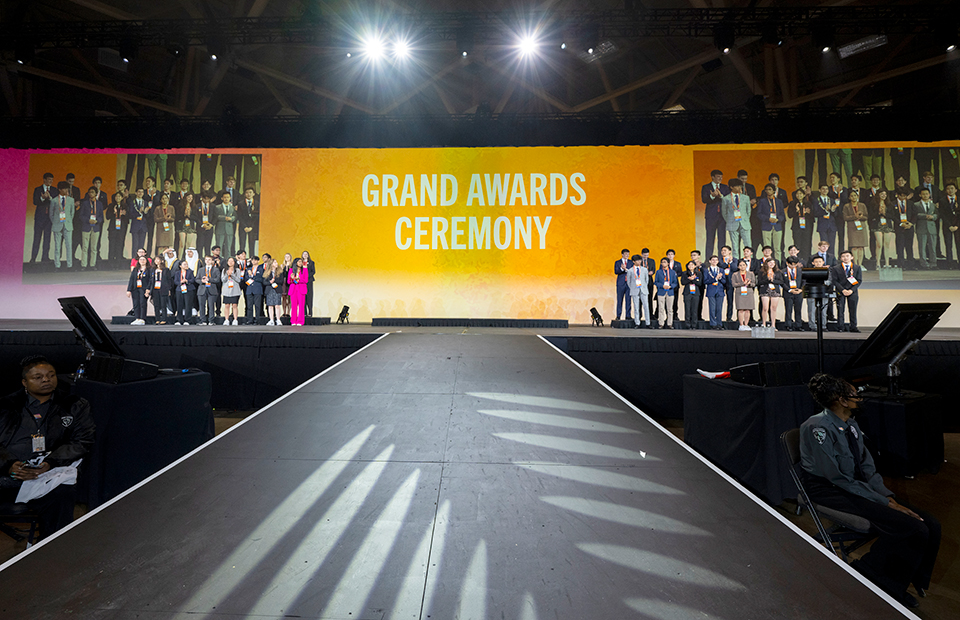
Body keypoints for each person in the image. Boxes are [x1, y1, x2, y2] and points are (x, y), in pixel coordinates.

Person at [800, 373, 941, 609]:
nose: (861, 399)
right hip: (831, 490)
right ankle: (874, 578)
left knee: (931, 524)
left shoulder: (851, 424)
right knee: (912, 526)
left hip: (855, 486)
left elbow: (867, 468)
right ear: (841, 400)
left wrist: (886, 496)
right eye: (857, 395)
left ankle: (895, 581)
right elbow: (838, 478)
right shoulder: (816, 428)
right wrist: (886, 504)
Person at [0, 356, 96, 540]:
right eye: (38, 377)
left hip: (48, 475)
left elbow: (82, 441)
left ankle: (52, 551)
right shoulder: (5, 406)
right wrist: (10, 465)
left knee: (62, 493)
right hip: (7, 473)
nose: (46, 380)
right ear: (24, 382)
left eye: (51, 375)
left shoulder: (74, 405)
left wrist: (49, 463)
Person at [701, 169, 729, 258]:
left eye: (721, 177)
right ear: (712, 177)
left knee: (722, 239)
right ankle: (708, 260)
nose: (720, 178)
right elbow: (704, 199)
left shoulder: (725, 187)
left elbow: (728, 200)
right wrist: (712, 196)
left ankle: (722, 260)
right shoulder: (706, 187)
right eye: (718, 177)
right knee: (710, 238)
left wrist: (721, 196)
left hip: (722, 216)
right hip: (711, 216)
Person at [721, 179, 751, 258]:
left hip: (744, 223)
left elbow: (748, 211)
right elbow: (724, 213)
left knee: (748, 244)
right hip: (732, 223)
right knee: (735, 245)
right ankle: (736, 263)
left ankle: (750, 263)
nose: (739, 188)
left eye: (740, 186)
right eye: (737, 186)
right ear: (731, 187)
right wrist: (729, 221)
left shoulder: (746, 198)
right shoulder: (726, 198)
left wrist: (745, 219)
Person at [833, 250, 862, 332]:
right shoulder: (836, 268)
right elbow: (834, 281)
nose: (845, 258)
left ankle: (853, 327)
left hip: (852, 292)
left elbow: (859, 280)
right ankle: (840, 327)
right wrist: (843, 290)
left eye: (847, 256)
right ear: (840, 258)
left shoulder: (857, 267)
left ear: (852, 257)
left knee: (853, 310)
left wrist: (851, 290)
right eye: (843, 256)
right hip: (840, 291)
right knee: (840, 310)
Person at [911, 188, 939, 270]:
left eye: (927, 194)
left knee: (932, 247)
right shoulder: (916, 204)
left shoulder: (933, 204)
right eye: (923, 194)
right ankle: (923, 264)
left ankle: (933, 263)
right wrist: (924, 216)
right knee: (922, 247)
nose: (925, 195)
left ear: (929, 194)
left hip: (932, 228)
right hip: (921, 227)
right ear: (920, 195)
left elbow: (937, 214)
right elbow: (915, 215)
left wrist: (933, 217)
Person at [49, 182, 75, 271]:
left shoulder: (71, 200)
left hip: (67, 225)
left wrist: (67, 221)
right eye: (64, 188)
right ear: (59, 189)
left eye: (67, 188)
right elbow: (51, 214)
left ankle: (69, 265)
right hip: (57, 225)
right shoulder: (54, 200)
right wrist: (56, 222)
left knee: (69, 245)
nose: (66, 190)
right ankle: (57, 265)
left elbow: (72, 213)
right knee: (57, 246)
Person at [31, 173, 56, 264]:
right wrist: (42, 198)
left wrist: (50, 198)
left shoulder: (54, 190)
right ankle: (33, 258)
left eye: (52, 180)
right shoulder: (38, 189)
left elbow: (56, 203)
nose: (50, 181)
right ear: (44, 180)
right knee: (37, 238)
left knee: (47, 238)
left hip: (49, 218)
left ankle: (45, 257)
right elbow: (35, 201)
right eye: (49, 179)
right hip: (39, 218)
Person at [869, 189, 897, 269]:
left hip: (887, 224)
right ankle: (878, 263)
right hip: (877, 225)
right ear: (878, 195)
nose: (883, 195)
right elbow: (870, 215)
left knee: (887, 244)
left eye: (885, 194)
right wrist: (878, 213)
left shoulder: (889, 204)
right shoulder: (873, 204)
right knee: (879, 244)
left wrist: (885, 214)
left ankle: (887, 263)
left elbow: (893, 216)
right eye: (881, 194)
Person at [758, 183, 785, 262]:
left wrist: (778, 219)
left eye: (770, 189)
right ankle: (767, 264)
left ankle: (777, 265)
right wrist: (768, 219)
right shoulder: (762, 201)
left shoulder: (779, 201)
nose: (768, 191)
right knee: (767, 248)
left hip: (777, 226)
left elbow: (782, 215)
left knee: (777, 248)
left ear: (774, 191)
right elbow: (759, 214)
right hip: (766, 225)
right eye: (767, 189)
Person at [78, 187, 103, 271]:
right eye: (89, 192)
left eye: (92, 192)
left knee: (94, 247)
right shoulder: (85, 203)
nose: (91, 194)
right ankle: (83, 265)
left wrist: (96, 221)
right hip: (86, 226)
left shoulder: (99, 204)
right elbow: (81, 216)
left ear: (96, 193)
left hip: (96, 227)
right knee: (85, 247)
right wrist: (88, 220)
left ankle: (92, 264)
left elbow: (101, 217)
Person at [843, 195, 869, 268]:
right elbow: (845, 217)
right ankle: (855, 264)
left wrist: (860, 217)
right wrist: (855, 216)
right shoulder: (847, 206)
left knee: (861, 247)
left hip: (861, 227)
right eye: (851, 196)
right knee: (854, 247)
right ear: (849, 197)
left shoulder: (862, 205)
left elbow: (866, 216)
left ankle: (860, 264)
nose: (853, 197)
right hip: (852, 227)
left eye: (855, 195)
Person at [806, 255, 830, 332]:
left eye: (820, 261)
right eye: (816, 262)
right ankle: (812, 326)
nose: (818, 263)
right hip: (812, 292)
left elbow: (830, 281)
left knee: (824, 310)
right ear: (813, 263)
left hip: (824, 292)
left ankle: (823, 326)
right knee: (811, 310)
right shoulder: (809, 271)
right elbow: (806, 282)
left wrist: (825, 283)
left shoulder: (828, 271)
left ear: (823, 262)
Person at [787, 188, 814, 259]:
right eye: (797, 194)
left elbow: (813, 216)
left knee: (807, 244)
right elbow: (789, 215)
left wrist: (809, 213)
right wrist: (796, 210)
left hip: (807, 227)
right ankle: (797, 260)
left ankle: (806, 260)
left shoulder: (808, 203)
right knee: (797, 244)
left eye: (801, 194)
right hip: (797, 227)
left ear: (804, 195)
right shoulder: (792, 203)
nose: (799, 195)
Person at [757, 257, 782, 329]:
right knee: (765, 308)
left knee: (773, 308)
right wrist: (768, 280)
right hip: (765, 290)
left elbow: (781, 281)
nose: (772, 264)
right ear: (766, 263)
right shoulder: (761, 272)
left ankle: (773, 325)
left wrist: (773, 280)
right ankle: (764, 324)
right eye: (770, 263)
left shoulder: (778, 272)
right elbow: (759, 282)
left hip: (775, 291)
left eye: (773, 263)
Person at [731, 259, 755, 331]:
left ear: (746, 266)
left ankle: (746, 324)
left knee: (748, 309)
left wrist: (749, 284)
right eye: (740, 265)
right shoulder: (735, 274)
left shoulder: (751, 273)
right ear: (738, 266)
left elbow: (754, 283)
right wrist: (742, 283)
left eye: (744, 265)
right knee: (740, 309)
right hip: (739, 293)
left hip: (749, 292)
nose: (742, 267)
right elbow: (733, 284)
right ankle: (741, 325)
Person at [126, 255, 152, 326]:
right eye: (140, 260)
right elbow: (131, 280)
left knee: (142, 303)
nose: (142, 261)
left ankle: (142, 319)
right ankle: (137, 318)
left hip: (144, 289)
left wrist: (148, 289)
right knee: (136, 304)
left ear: (146, 261)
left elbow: (150, 280)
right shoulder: (135, 269)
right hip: (135, 289)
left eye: (143, 259)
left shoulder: (149, 270)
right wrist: (129, 290)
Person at [196, 255, 221, 326]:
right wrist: (202, 281)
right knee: (201, 305)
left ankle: (211, 321)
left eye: (209, 260)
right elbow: (197, 279)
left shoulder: (216, 269)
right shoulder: (201, 269)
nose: (207, 261)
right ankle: (203, 320)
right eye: (206, 259)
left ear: (212, 261)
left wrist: (209, 279)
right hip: (202, 289)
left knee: (211, 305)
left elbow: (217, 279)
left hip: (212, 289)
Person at [703, 254, 726, 330]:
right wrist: (715, 278)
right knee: (712, 308)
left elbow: (724, 281)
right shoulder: (706, 270)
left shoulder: (721, 270)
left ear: (718, 261)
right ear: (709, 261)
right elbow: (705, 281)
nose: (714, 261)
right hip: (711, 290)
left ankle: (719, 323)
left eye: (716, 260)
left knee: (719, 308)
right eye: (713, 260)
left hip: (720, 290)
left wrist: (720, 278)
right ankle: (713, 324)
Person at [894, 190, 916, 270]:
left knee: (909, 246)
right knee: (900, 246)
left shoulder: (910, 203)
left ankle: (911, 264)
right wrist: (900, 223)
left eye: (904, 196)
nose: (903, 197)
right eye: (901, 195)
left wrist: (911, 223)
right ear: (897, 195)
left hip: (909, 226)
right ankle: (901, 264)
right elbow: (893, 215)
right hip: (899, 227)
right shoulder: (893, 203)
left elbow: (915, 214)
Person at [813, 182, 838, 250]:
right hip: (822, 224)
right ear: (819, 190)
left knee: (832, 245)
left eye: (826, 189)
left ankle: (831, 259)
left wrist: (832, 210)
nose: (825, 190)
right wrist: (826, 211)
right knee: (824, 245)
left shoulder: (832, 200)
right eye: (823, 189)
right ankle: (824, 259)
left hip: (832, 225)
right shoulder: (816, 200)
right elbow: (815, 213)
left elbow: (836, 214)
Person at [654, 258, 677, 329]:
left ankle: (670, 324)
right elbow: (656, 282)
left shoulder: (672, 272)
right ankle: (661, 323)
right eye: (662, 262)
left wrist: (671, 286)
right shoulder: (658, 272)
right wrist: (662, 285)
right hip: (661, 291)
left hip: (670, 292)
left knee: (670, 309)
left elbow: (675, 282)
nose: (663, 263)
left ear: (668, 263)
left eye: (665, 262)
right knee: (661, 308)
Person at [106, 190, 128, 264]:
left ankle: (118, 263)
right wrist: (113, 213)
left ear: (122, 197)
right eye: (116, 196)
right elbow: (107, 217)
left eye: (119, 196)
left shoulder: (125, 206)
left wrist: (124, 215)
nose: (118, 197)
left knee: (119, 245)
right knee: (112, 245)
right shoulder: (111, 206)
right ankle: (111, 263)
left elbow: (128, 218)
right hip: (112, 228)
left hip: (121, 228)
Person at [783, 255, 804, 331]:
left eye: (795, 264)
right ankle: (788, 325)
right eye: (791, 264)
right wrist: (789, 290)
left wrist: (801, 289)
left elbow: (804, 281)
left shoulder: (800, 270)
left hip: (798, 292)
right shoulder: (783, 271)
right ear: (787, 263)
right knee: (788, 309)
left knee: (798, 309)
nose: (793, 266)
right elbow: (782, 283)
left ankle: (798, 325)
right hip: (788, 292)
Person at [172, 260, 196, 326]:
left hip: (189, 289)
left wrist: (187, 281)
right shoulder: (177, 273)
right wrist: (180, 282)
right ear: (180, 266)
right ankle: (179, 320)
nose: (186, 265)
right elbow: (175, 281)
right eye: (184, 264)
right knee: (179, 305)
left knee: (188, 305)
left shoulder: (190, 272)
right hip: (179, 290)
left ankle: (187, 320)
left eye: (187, 264)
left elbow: (193, 280)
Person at [220, 257, 242, 326]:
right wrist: (227, 274)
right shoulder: (224, 270)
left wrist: (232, 274)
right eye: (229, 261)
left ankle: (235, 319)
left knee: (234, 305)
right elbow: (223, 280)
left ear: (234, 262)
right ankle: (226, 319)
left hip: (235, 290)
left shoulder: (237, 270)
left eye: (232, 261)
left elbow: (239, 280)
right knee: (227, 305)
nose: (230, 263)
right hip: (227, 290)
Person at [238, 187, 259, 256]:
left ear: (254, 194)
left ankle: (252, 259)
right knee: (242, 244)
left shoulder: (257, 204)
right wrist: (245, 226)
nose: (248, 194)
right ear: (244, 194)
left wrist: (251, 227)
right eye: (247, 192)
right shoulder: (241, 204)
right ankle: (242, 259)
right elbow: (240, 216)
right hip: (243, 226)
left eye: (250, 192)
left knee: (252, 244)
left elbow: (257, 217)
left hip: (253, 227)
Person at [151, 256, 172, 325]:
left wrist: (169, 289)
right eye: (155, 260)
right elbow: (150, 281)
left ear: (162, 261)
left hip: (163, 289)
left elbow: (169, 280)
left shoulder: (166, 270)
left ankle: (164, 319)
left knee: (163, 305)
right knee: (156, 305)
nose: (156, 261)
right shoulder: (152, 270)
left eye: (158, 259)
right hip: (155, 289)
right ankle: (157, 319)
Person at [216, 190, 237, 258]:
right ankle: (218, 260)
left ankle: (228, 260)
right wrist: (225, 218)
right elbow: (216, 216)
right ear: (222, 198)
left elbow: (235, 216)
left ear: (230, 198)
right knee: (219, 246)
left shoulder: (232, 207)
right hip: (220, 229)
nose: (226, 199)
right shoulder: (218, 207)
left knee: (228, 247)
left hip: (229, 229)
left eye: (228, 197)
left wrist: (231, 219)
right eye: (225, 197)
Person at [244, 255, 264, 325]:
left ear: (258, 261)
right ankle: (250, 320)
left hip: (257, 289)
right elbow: (245, 279)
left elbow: (261, 279)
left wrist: (252, 276)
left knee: (257, 306)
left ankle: (257, 320)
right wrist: (249, 276)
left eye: (255, 260)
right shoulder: (248, 269)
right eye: (252, 260)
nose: (253, 261)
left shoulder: (261, 269)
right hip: (249, 289)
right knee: (249, 306)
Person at [943, 182, 960, 269]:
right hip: (947, 225)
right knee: (948, 245)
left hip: (958, 225)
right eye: (948, 188)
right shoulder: (942, 200)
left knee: (959, 244)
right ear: (946, 190)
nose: (950, 190)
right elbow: (942, 215)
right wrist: (949, 225)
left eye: (952, 188)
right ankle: (949, 264)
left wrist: (957, 225)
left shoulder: (959, 199)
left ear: (956, 190)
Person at [196, 191, 218, 257]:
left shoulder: (213, 206)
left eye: (208, 199)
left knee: (208, 246)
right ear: (201, 198)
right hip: (200, 228)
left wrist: (211, 224)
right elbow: (195, 217)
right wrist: (202, 224)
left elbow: (215, 216)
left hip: (209, 228)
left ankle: (207, 260)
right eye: (205, 198)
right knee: (200, 245)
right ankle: (199, 260)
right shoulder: (197, 206)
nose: (206, 200)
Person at [288, 257, 308, 326]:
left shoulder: (304, 270)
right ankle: (293, 321)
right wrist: (292, 278)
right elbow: (288, 281)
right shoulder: (291, 270)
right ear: (295, 263)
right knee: (293, 306)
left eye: (301, 262)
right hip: (293, 289)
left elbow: (306, 280)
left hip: (301, 289)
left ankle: (300, 321)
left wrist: (298, 279)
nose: (301, 263)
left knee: (301, 306)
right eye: (299, 262)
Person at [613, 249, 632, 321]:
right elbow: (616, 271)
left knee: (628, 300)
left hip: (629, 284)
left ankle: (628, 315)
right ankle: (618, 315)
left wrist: (626, 269)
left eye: (628, 254)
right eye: (626, 254)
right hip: (621, 283)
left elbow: (632, 271)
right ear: (622, 254)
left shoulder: (631, 262)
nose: (627, 255)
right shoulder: (617, 262)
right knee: (619, 300)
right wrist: (621, 268)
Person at [681, 260, 701, 329]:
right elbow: (682, 282)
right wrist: (689, 279)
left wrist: (693, 280)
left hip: (696, 293)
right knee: (687, 309)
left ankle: (694, 325)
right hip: (687, 293)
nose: (691, 266)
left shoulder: (699, 273)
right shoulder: (684, 273)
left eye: (692, 265)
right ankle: (687, 324)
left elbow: (700, 283)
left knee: (694, 310)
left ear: (695, 266)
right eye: (689, 265)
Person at [264, 259, 283, 326]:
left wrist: (275, 282)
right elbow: (264, 282)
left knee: (277, 305)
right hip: (269, 290)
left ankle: (278, 319)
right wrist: (270, 282)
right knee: (270, 305)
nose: (276, 263)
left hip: (277, 289)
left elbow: (281, 281)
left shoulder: (280, 272)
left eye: (276, 262)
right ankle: (271, 320)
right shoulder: (267, 272)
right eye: (275, 262)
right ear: (271, 264)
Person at [719, 245, 735, 323]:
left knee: (730, 300)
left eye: (725, 250)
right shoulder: (719, 260)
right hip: (721, 282)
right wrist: (726, 262)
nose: (723, 252)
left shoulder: (735, 260)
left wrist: (730, 262)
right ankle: (718, 318)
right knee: (719, 300)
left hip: (730, 282)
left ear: (729, 251)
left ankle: (729, 317)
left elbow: (735, 268)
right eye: (722, 250)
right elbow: (721, 267)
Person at [302, 250, 316, 317]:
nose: (305, 255)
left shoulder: (311, 263)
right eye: (304, 254)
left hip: (309, 281)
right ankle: (304, 313)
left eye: (306, 254)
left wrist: (307, 276)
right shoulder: (300, 263)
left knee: (309, 296)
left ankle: (310, 312)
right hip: (302, 282)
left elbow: (313, 271)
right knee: (303, 296)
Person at [280, 253, 293, 319]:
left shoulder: (292, 265)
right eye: (286, 256)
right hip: (284, 282)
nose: (287, 258)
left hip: (290, 282)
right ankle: (284, 312)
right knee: (284, 297)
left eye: (288, 256)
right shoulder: (282, 265)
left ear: (290, 257)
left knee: (289, 297)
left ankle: (288, 312)